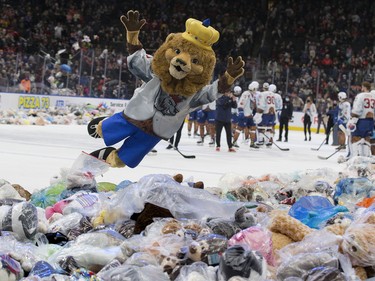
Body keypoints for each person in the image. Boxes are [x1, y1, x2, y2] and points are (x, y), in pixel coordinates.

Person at [342, 81, 374, 161]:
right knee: (367, 139)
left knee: (355, 138)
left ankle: (355, 158)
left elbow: (357, 110)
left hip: (361, 121)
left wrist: (352, 119)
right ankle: (366, 158)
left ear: (364, 87)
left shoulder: (360, 96)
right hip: (370, 122)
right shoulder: (373, 96)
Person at [232, 81, 259, 149]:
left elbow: (250, 106)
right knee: (239, 128)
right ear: (254, 88)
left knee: (253, 128)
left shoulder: (252, 94)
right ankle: (234, 142)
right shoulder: (246, 94)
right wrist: (241, 113)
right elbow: (241, 104)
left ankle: (252, 143)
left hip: (249, 115)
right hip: (244, 115)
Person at [254, 82, 276, 146]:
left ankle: (261, 141)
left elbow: (261, 105)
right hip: (272, 113)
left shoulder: (262, 94)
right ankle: (268, 141)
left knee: (261, 127)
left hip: (265, 113)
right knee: (269, 127)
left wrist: (258, 113)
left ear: (263, 87)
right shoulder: (273, 94)